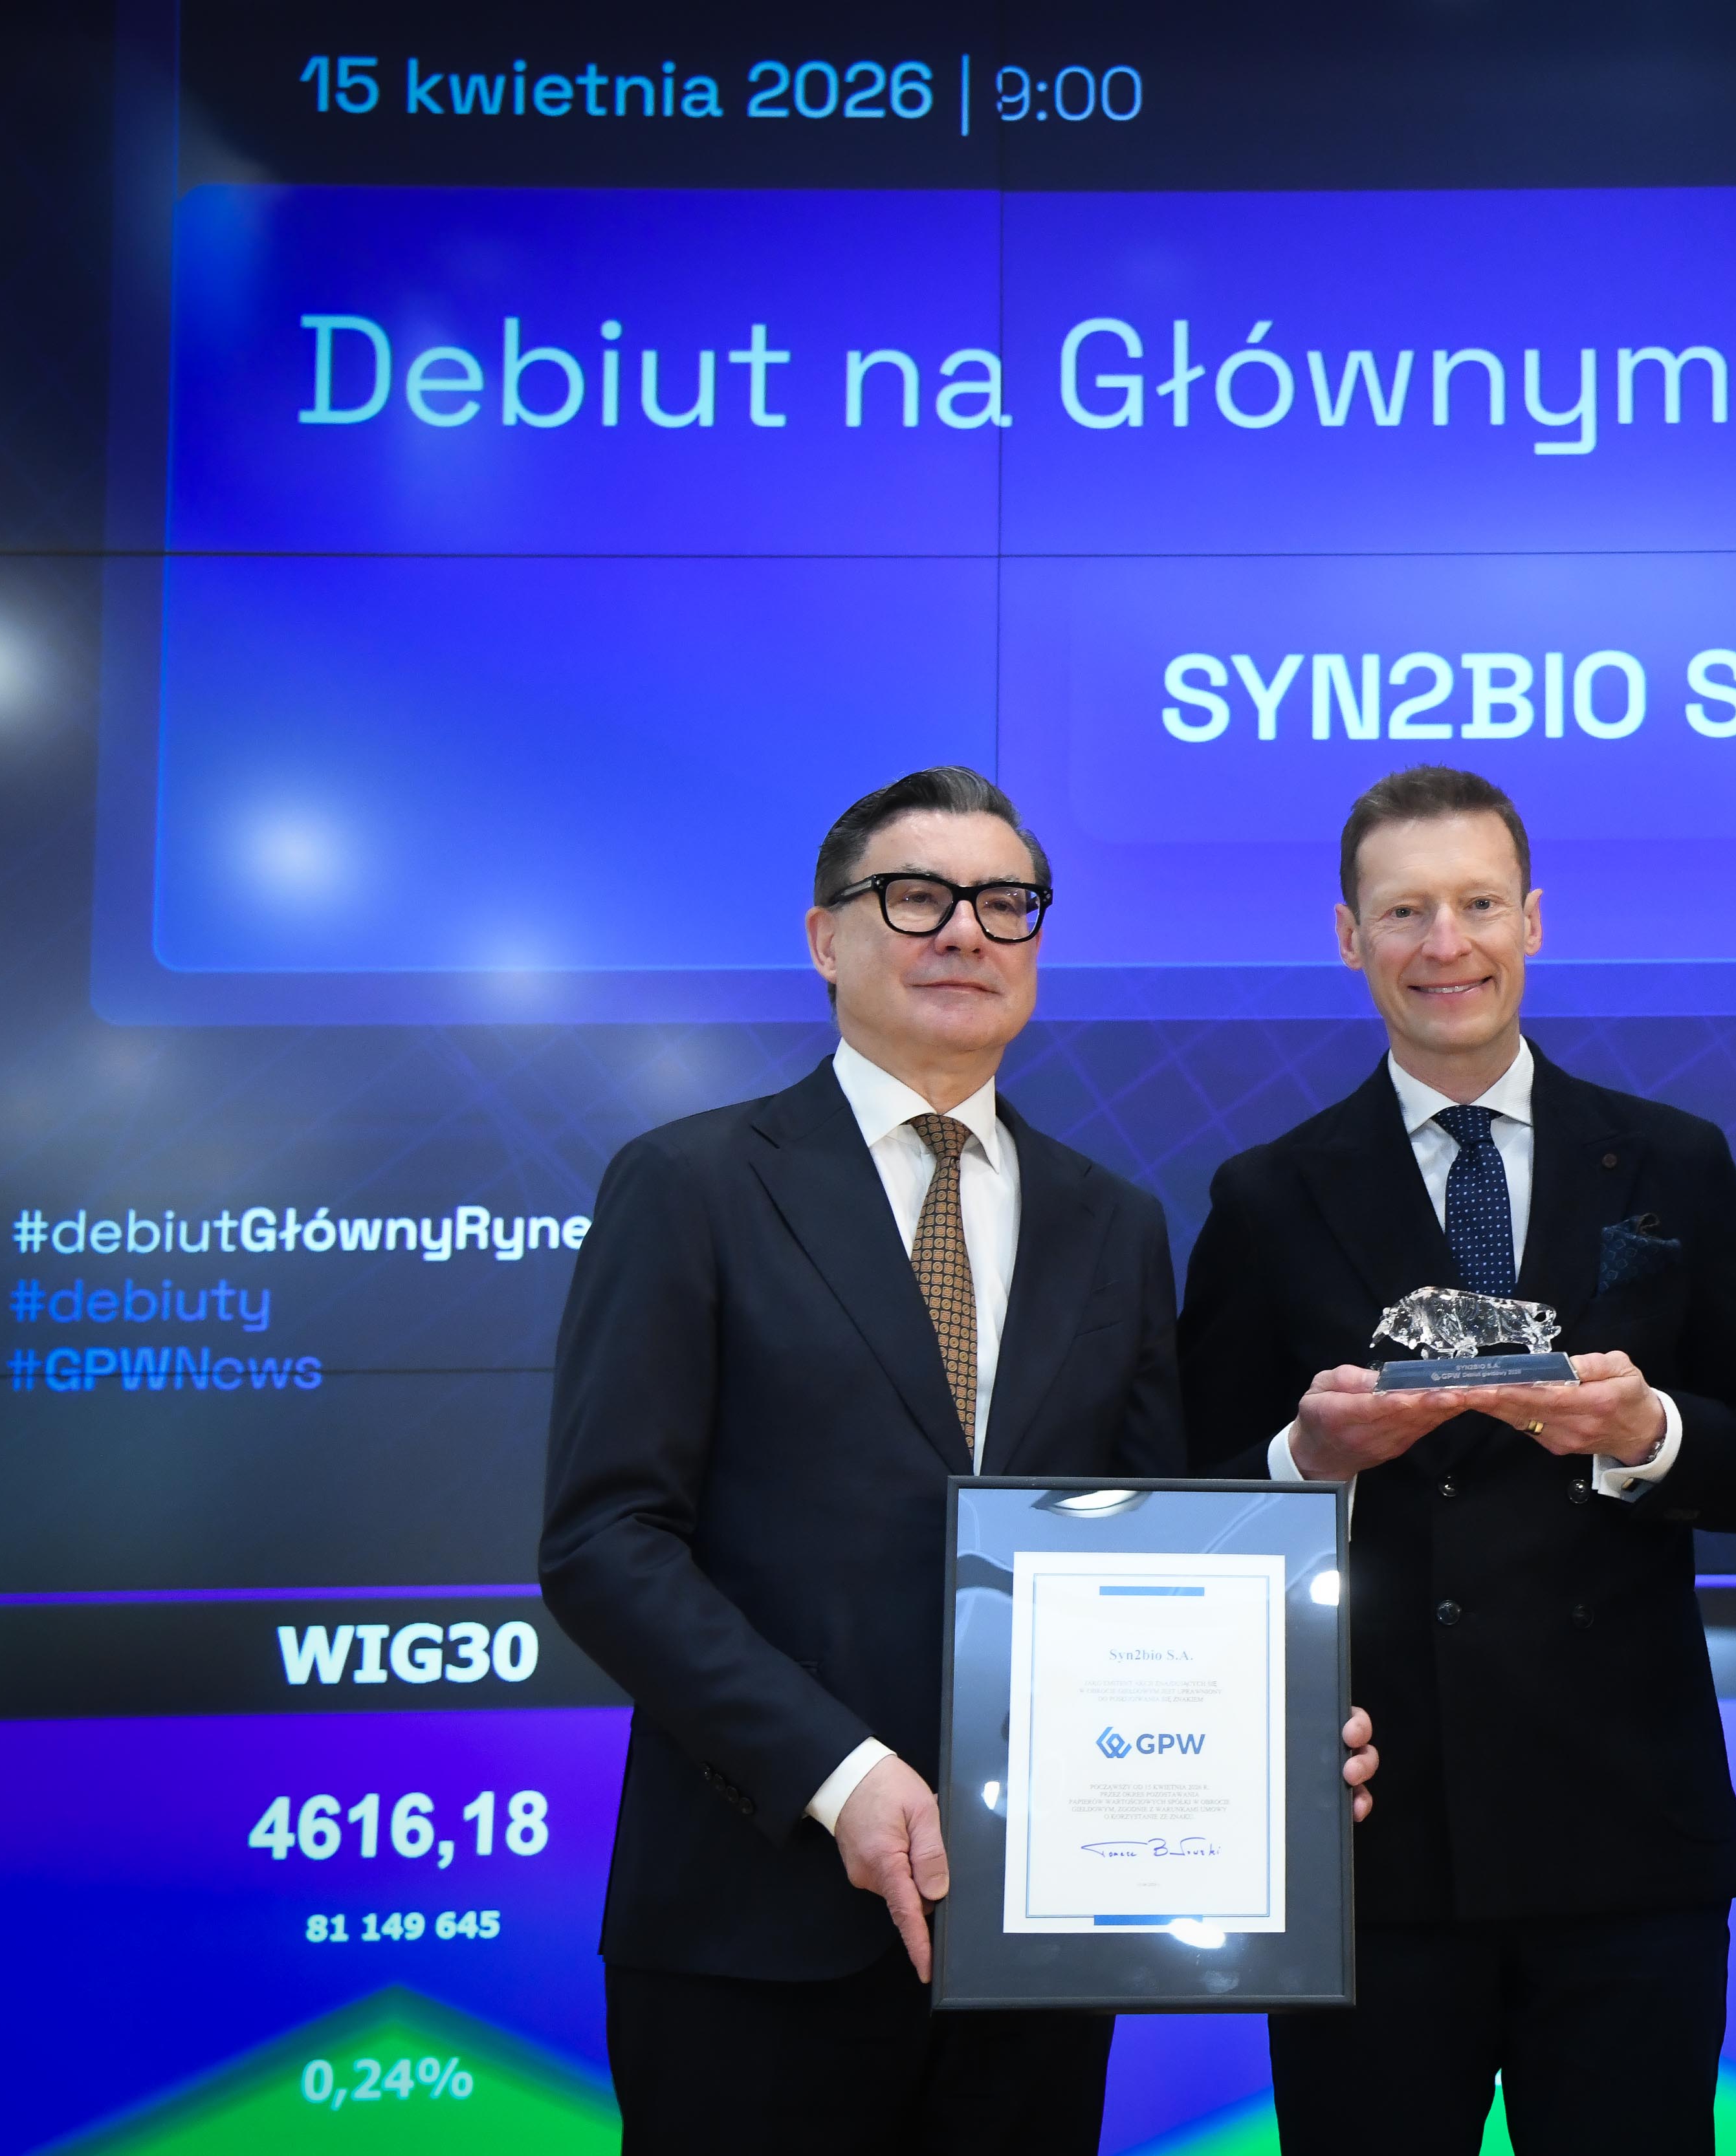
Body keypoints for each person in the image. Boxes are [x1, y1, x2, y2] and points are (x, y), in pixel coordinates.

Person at [540, 766, 1376, 2154]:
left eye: (1005, 902)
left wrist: (1270, 1734)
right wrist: (839, 1770)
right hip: (756, 1925)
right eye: (916, 896)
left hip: (1034, 1942)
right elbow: (605, 1539)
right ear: (826, 937)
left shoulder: (1110, 1220)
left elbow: (1149, 1548)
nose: (965, 931)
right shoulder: (692, 1185)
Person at [1177, 765, 1736, 2155]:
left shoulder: (1673, 1163)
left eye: (1478, 904)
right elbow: (1188, 1510)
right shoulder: (1266, 1193)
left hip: (1626, 1840)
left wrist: (1648, 1436)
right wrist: (1305, 1458)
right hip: (1368, 1840)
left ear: (1532, 919)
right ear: (1348, 935)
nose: (1445, 943)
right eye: (1404, 910)